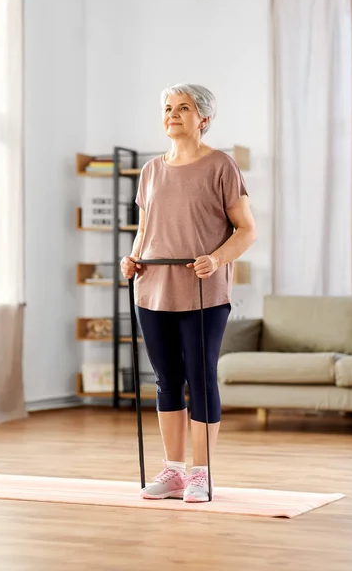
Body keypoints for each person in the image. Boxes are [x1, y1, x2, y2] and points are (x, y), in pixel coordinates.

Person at [120, 83, 256, 503]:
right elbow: (146, 231)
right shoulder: (150, 171)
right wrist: (132, 258)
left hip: (204, 291)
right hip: (152, 290)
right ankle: (173, 471)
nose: (172, 114)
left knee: (201, 379)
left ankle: (202, 473)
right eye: (167, 108)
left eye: (183, 108)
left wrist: (215, 259)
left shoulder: (222, 165)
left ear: (204, 119)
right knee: (166, 381)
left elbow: (246, 230)